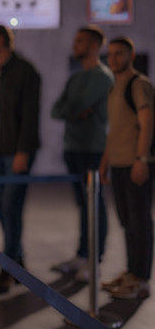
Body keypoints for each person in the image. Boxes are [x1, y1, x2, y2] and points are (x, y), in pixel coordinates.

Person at [0, 24, 41, 294]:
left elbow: (30, 116)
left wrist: (23, 152)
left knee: (10, 208)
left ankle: (9, 268)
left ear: (1, 40)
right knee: (4, 210)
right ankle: (16, 262)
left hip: (14, 152)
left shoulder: (25, 71)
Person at [50, 26, 113, 283]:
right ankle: (82, 254)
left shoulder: (103, 77)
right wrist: (75, 111)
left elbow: (76, 105)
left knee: (94, 206)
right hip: (73, 148)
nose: (75, 45)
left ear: (95, 45)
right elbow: (57, 110)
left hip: (93, 149)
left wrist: (74, 109)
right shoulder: (75, 78)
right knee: (83, 206)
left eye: (81, 41)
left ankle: (94, 261)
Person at [99, 37, 153, 300]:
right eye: (110, 54)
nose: (113, 59)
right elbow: (115, 129)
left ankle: (141, 279)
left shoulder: (138, 84)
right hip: (118, 164)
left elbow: (147, 123)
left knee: (139, 222)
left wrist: (141, 159)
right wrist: (105, 162)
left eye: (119, 54)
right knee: (127, 221)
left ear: (130, 56)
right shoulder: (114, 87)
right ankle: (132, 273)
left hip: (135, 164)